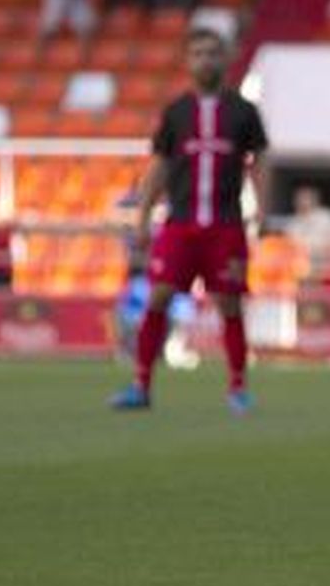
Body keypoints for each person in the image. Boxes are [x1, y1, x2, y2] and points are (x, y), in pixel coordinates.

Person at [110, 28, 270, 414]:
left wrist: (262, 208)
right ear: (188, 61)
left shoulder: (244, 112)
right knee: (159, 297)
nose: (205, 60)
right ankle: (141, 385)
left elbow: (259, 161)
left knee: (229, 304)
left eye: (212, 53)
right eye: (197, 53)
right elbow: (160, 166)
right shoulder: (177, 112)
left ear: (226, 59)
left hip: (225, 225)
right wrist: (144, 215)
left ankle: (237, 388)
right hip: (180, 224)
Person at [287, 185, 330, 268]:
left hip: (326, 262)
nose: (302, 202)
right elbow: (289, 245)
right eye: (299, 199)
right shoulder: (293, 223)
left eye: (306, 198)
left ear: (315, 200)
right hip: (301, 264)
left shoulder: (328, 217)